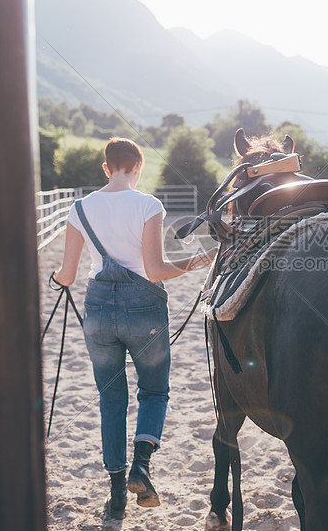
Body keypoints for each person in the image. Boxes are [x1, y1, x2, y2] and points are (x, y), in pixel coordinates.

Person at [53, 137, 216, 518]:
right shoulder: (148, 205)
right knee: (154, 391)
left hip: (97, 309)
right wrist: (197, 261)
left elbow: (68, 274)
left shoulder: (79, 209)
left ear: (106, 168)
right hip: (143, 308)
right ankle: (142, 465)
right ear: (138, 167)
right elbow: (156, 271)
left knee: (111, 400)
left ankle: (115, 496)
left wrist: (56, 279)